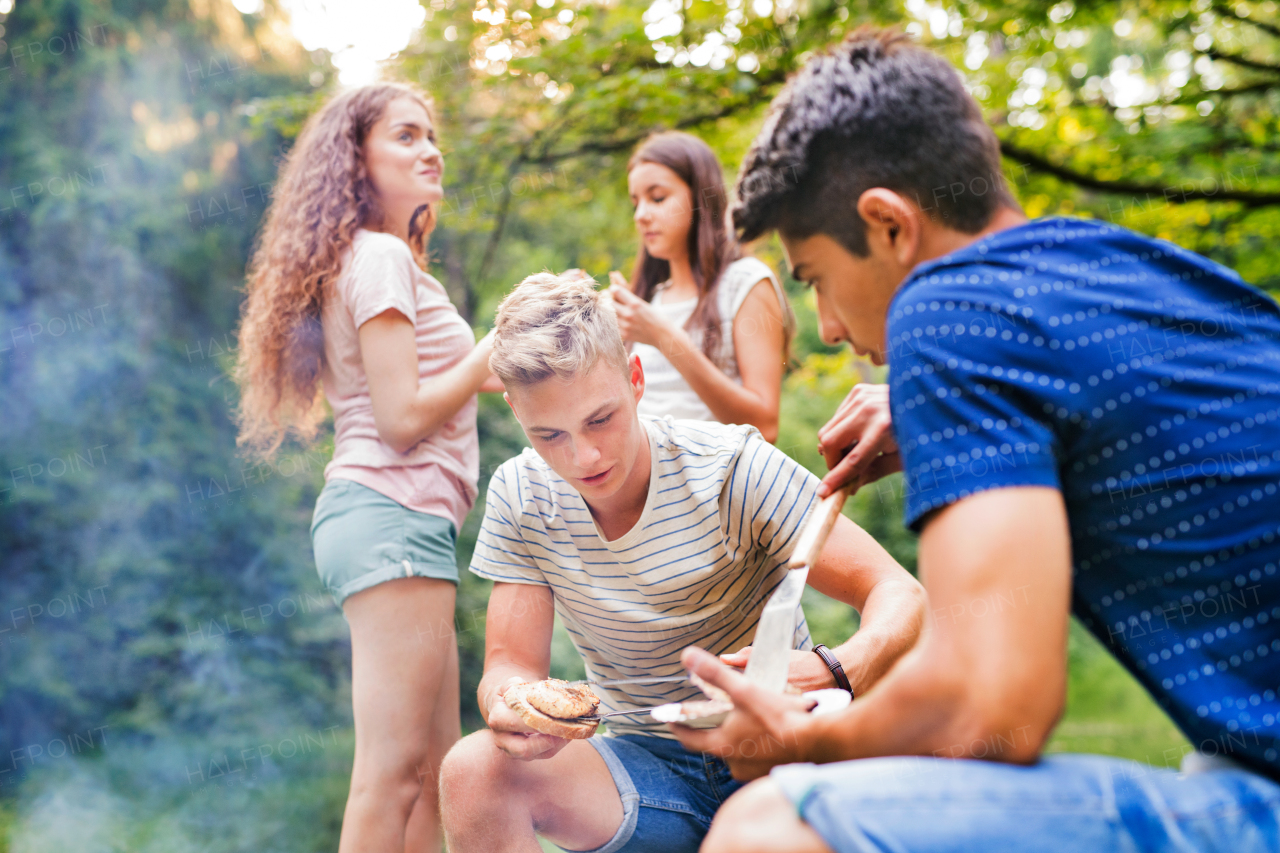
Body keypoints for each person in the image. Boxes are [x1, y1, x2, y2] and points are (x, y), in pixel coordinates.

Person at [666, 28, 1280, 853]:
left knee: (770, 828)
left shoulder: (947, 309)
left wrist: (802, 738)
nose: (831, 327)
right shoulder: (1118, 264)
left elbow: (991, 704)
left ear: (888, 225)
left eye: (813, 277)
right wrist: (934, 409)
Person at [437, 272, 925, 853]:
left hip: (771, 753)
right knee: (472, 772)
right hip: (645, 771)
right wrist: (511, 707)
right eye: (550, 435)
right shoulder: (522, 494)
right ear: (517, 414)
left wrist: (835, 668)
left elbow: (897, 591)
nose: (583, 456)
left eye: (601, 419)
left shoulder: (730, 467)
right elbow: (509, 666)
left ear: (636, 380)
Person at [234, 83, 498, 853]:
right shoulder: (380, 256)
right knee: (390, 774)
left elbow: (435, 393)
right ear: (357, 160)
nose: (431, 150)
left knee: (439, 770)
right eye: (407, 136)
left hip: (400, 519)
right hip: (392, 510)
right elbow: (403, 417)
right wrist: (490, 347)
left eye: (432, 136)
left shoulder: (379, 258)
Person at [606, 131, 794, 441]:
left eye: (657, 198)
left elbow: (765, 425)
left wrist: (664, 338)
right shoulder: (649, 299)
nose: (641, 216)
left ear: (699, 197)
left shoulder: (745, 282)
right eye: (635, 203)